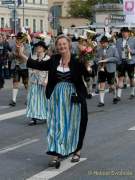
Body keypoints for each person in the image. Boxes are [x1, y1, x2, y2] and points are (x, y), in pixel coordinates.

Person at [27, 35, 91, 169]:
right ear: (56, 47)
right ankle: (55, 155)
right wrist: (20, 53)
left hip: (74, 97)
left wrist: (87, 64)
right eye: (59, 44)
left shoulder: (76, 60)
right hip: (56, 96)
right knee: (55, 124)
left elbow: (87, 75)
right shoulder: (54, 59)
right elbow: (38, 65)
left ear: (69, 45)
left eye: (64, 44)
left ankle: (77, 151)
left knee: (74, 125)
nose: (62, 46)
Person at [26, 41, 49, 125]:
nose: (38, 48)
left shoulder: (47, 58)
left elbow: (49, 71)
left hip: (43, 82)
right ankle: (33, 118)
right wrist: (33, 71)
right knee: (33, 100)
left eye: (40, 47)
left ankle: (46, 115)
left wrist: (46, 81)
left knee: (44, 100)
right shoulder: (33, 57)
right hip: (34, 81)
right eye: (37, 47)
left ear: (44, 49)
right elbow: (29, 69)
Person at [95, 36, 119, 107]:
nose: (102, 44)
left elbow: (116, 58)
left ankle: (115, 96)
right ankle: (101, 101)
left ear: (107, 43)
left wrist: (107, 60)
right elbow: (95, 58)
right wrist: (98, 60)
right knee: (102, 84)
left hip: (110, 69)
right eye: (101, 43)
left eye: (104, 43)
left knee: (111, 85)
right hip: (101, 69)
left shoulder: (113, 49)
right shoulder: (99, 50)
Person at [9, 32, 31, 106]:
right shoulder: (14, 46)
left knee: (26, 84)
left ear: (23, 40)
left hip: (25, 67)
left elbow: (25, 56)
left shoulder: (28, 46)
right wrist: (14, 53)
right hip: (16, 66)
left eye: (19, 39)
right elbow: (11, 57)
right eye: (17, 38)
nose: (18, 40)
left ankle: (28, 99)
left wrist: (18, 52)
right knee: (15, 83)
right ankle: (13, 100)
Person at [116, 27, 135, 100]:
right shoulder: (118, 40)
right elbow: (117, 51)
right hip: (122, 61)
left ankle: (132, 93)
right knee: (120, 78)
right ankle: (118, 96)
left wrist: (131, 51)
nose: (124, 33)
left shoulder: (133, 40)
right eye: (122, 32)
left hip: (130, 62)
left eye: (125, 32)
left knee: (131, 78)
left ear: (128, 33)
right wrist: (117, 61)